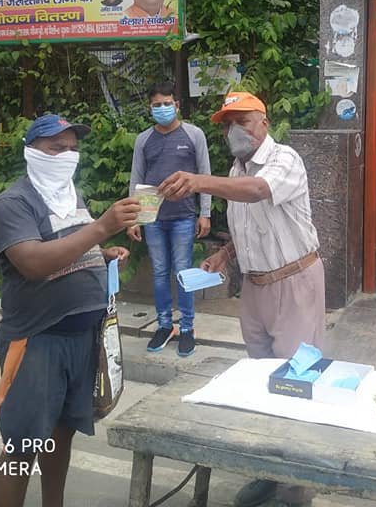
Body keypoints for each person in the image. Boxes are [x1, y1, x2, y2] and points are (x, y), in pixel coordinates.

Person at [159, 91, 324, 507]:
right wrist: (225, 254)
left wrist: (199, 181)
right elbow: (250, 222)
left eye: (244, 121)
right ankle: (268, 472)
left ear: (264, 122)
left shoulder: (284, 160)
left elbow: (256, 192)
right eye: (229, 124)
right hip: (255, 287)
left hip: (294, 282)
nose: (236, 131)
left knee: (295, 382)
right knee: (262, 381)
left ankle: (295, 491)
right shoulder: (237, 168)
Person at [0, 114, 140, 507]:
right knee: (22, 445)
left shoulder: (71, 196)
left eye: (73, 149)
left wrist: (101, 254)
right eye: (56, 148)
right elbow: (34, 262)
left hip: (81, 337)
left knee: (61, 433)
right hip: (37, 339)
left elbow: (71, 243)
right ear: (31, 152)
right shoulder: (14, 203)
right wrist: (101, 229)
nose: (67, 156)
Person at [128, 82, 211, 356]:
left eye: (167, 103)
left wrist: (205, 213)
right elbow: (136, 178)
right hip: (152, 216)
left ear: (177, 105)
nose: (162, 108)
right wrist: (133, 218)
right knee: (160, 272)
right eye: (157, 105)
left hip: (183, 216)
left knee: (183, 272)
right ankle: (164, 325)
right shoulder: (143, 140)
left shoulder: (194, 135)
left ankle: (187, 327)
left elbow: (205, 175)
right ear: (149, 108)